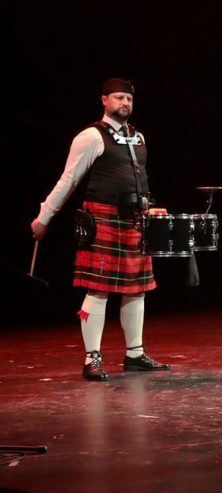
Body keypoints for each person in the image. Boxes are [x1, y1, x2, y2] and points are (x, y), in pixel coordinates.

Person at [31, 78, 170, 381]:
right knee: (99, 289)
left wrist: (148, 208)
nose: (125, 103)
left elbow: (137, 179)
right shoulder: (91, 136)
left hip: (135, 220)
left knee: (137, 289)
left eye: (129, 99)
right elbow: (69, 180)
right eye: (119, 97)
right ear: (104, 100)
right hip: (104, 219)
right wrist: (45, 216)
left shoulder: (138, 137)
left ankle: (135, 354)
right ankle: (91, 357)